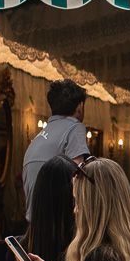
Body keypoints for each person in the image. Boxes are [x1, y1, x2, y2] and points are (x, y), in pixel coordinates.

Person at [21, 79, 89, 218]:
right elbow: (77, 175)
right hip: (56, 220)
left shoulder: (40, 136)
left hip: (34, 219)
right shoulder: (75, 127)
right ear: (80, 107)